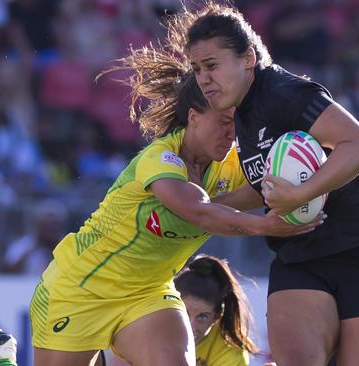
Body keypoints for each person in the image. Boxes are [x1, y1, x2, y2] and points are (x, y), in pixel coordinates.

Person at [29, 46, 321, 366]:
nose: (232, 133)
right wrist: (264, 225)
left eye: (236, 123)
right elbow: (198, 211)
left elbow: (263, 185)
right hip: (80, 288)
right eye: (224, 122)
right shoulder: (160, 158)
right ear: (193, 118)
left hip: (147, 292)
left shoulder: (230, 163)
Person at [165, 3, 359, 365]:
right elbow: (268, 186)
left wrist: (299, 194)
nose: (203, 78)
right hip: (300, 255)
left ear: (248, 58)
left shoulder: (284, 91)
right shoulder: (243, 112)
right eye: (198, 68)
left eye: (212, 66)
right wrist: (205, 208)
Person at [175, 254, 258, 366]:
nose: (190, 327)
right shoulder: (148, 327)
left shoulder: (230, 352)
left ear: (216, 317)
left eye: (202, 317)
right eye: (183, 313)